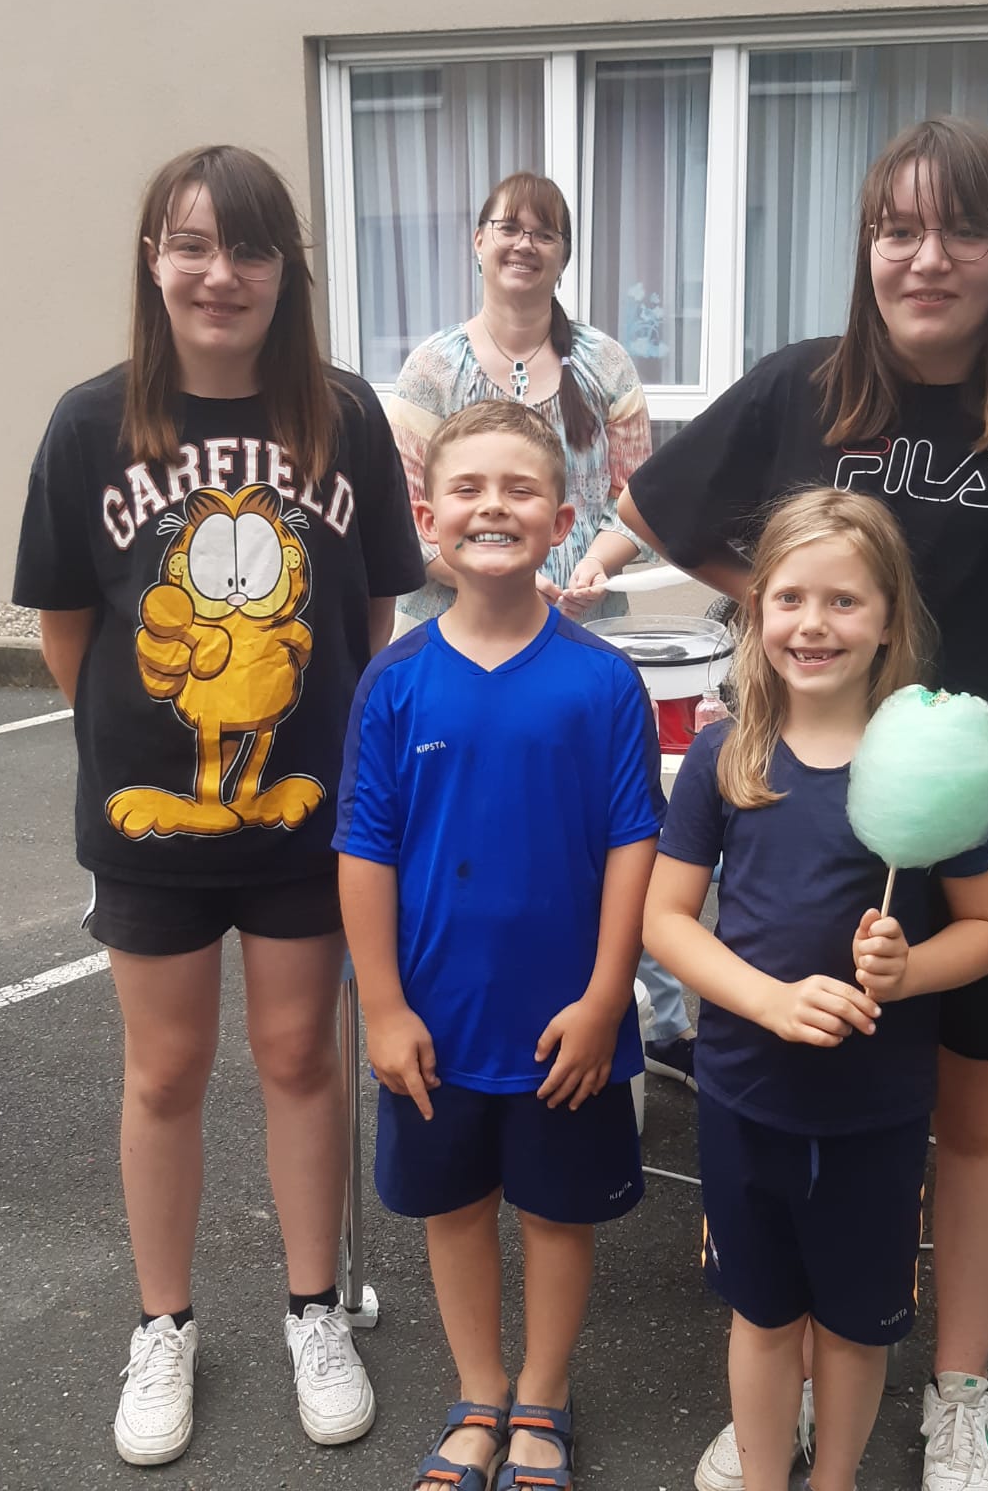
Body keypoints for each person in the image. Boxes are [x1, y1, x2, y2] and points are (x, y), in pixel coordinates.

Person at [620, 116, 988, 1491]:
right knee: (794, 1103)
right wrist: (785, 617)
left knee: (975, 1114)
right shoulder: (802, 391)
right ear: (867, 247)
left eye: (963, 229)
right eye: (897, 229)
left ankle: (958, 1388)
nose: (926, 258)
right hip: (800, 822)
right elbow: (655, 512)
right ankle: (792, 1382)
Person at [12, 145, 425, 1466]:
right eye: (192, 245)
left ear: (284, 272)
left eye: (250, 249)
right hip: (150, 827)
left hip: (309, 819)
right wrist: (141, 740)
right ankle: (164, 1325)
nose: (221, 274)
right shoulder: (91, 421)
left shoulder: (344, 416)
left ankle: (315, 1310)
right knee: (165, 1069)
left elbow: (369, 615)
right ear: (154, 261)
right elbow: (67, 629)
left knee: (301, 1056)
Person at [643, 487, 988, 1491]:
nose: (814, 624)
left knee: (855, 1326)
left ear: (890, 619)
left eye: (845, 601)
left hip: (876, 1112)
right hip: (743, 1097)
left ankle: (836, 1476)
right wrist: (765, 999)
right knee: (762, 1316)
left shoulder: (930, 769)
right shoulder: (727, 755)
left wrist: (910, 969)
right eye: (791, 598)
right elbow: (665, 919)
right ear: (757, 611)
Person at [335, 399, 665, 1491]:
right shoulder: (394, 681)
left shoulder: (602, 682)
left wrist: (607, 998)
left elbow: (633, 845)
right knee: (456, 1210)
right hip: (435, 1021)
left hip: (564, 1023)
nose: (493, 507)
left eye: (520, 489)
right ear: (428, 518)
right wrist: (384, 1007)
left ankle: (543, 1400)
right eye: (467, 488)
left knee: (559, 1217)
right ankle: (479, 1393)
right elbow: (365, 849)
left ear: (562, 521)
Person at [385, 168, 695, 1077]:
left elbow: (640, 498)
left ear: (563, 255)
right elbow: (412, 517)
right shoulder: (431, 367)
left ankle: (654, 1019)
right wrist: (501, 577)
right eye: (506, 227)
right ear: (477, 243)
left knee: (611, 826)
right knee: (472, 826)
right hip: (458, 634)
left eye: (543, 231)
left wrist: (594, 566)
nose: (523, 243)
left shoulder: (605, 364)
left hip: (587, 636)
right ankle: (457, 1008)